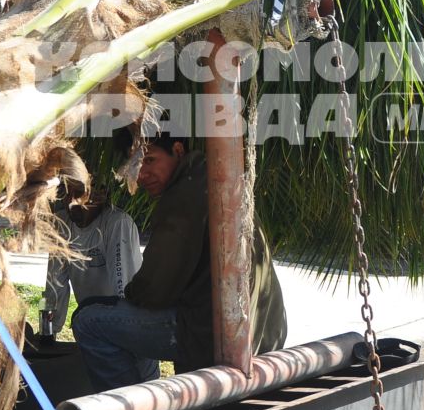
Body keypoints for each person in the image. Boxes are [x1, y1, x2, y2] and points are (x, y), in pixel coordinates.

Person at [71, 131, 287, 391]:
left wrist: (129, 296)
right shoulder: (215, 177)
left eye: (149, 161)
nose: (141, 175)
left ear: (177, 150)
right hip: (266, 331)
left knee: (89, 320)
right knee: (111, 312)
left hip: (213, 335)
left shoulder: (185, 195)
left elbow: (153, 290)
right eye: (135, 166)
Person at [40, 180, 142, 339]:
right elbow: (54, 284)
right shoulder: (61, 224)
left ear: (101, 194)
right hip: (92, 324)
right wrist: (48, 330)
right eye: (68, 194)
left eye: (79, 194)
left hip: (125, 328)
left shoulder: (117, 223)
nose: (71, 202)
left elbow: (123, 289)